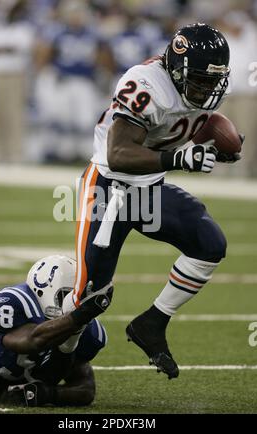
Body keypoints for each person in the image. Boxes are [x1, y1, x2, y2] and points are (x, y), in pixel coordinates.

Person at [71, 23, 243, 380]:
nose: (208, 89)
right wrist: (179, 160)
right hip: (109, 190)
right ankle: (49, 360)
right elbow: (118, 153)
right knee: (90, 300)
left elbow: (185, 125)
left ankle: (152, 323)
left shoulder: (194, 90)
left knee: (209, 244)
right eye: (200, 79)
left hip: (149, 187)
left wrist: (216, 148)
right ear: (178, 69)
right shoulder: (146, 84)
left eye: (214, 80)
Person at [0, 255, 112, 407]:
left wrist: (48, 394)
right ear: (45, 288)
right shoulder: (15, 301)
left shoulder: (84, 328)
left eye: (79, 299)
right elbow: (31, 340)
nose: (75, 304)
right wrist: (77, 318)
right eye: (69, 296)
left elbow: (85, 389)